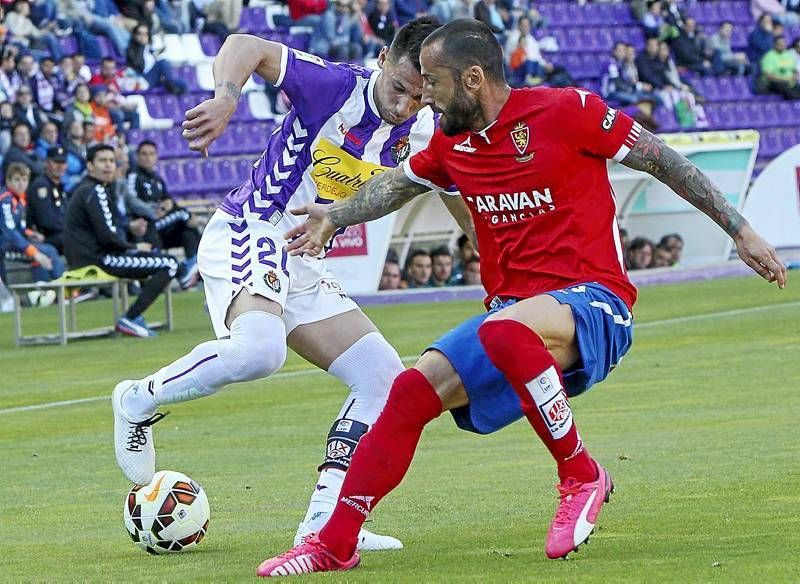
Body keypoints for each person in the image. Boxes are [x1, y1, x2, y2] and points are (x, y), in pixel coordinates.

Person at [260, 18, 786, 576]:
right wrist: (334, 217)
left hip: (594, 302)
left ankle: (580, 473)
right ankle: (334, 543)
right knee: (412, 391)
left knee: (504, 329)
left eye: (432, 84)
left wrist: (740, 229)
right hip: (513, 316)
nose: (424, 98)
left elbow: (663, 160)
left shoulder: (566, 110)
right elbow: (401, 183)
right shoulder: (450, 141)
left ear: (472, 79)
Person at [110, 19, 477, 553]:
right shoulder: (334, 87)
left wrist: (490, 251)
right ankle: (137, 400)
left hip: (302, 261)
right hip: (253, 227)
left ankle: (324, 526)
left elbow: (450, 187)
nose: (405, 106)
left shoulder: (425, 127)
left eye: (420, 95)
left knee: (384, 381)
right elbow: (246, 45)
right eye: (400, 88)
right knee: (260, 351)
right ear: (382, 59)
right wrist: (227, 99)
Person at [64, 144, 179, 337]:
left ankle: (134, 318)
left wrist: (129, 228)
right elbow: (107, 236)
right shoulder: (95, 191)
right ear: (90, 166)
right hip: (99, 260)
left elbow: (108, 225)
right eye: (102, 161)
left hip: (92, 257)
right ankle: (130, 318)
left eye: (111, 161)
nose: (108, 165)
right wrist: (134, 246)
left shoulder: (92, 189)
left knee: (163, 261)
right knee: (169, 264)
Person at [126, 139, 200, 287]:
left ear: (157, 157)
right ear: (137, 156)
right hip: (145, 227)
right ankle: (191, 267)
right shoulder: (133, 176)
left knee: (188, 232)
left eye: (151, 154)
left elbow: (169, 201)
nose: (148, 157)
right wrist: (158, 210)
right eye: (144, 154)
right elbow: (131, 203)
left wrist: (167, 206)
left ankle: (192, 269)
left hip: (162, 227)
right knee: (184, 215)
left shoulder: (157, 179)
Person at [1, 161, 64, 282]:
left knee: (46, 249)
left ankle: (44, 289)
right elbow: (10, 233)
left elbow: (19, 227)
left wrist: (30, 234)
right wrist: (33, 251)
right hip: (4, 245)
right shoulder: (5, 200)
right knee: (45, 251)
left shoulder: (19, 200)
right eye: (17, 180)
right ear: (8, 181)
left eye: (24, 180)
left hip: (11, 243)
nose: (21, 184)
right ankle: (61, 288)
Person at [26, 145, 67, 253]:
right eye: (56, 162)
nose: (59, 166)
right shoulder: (41, 186)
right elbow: (46, 221)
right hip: (43, 237)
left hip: (57, 235)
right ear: (47, 163)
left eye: (62, 163)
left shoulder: (58, 186)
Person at [126, 24, 187, 95]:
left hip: (154, 78)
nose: (143, 36)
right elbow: (139, 65)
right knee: (163, 62)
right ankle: (170, 83)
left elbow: (153, 57)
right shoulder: (131, 49)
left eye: (145, 34)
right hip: (142, 79)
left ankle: (171, 86)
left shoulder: (148, 48)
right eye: (140, 34)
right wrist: (142, 46)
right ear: (135, 35)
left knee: (184, 84)